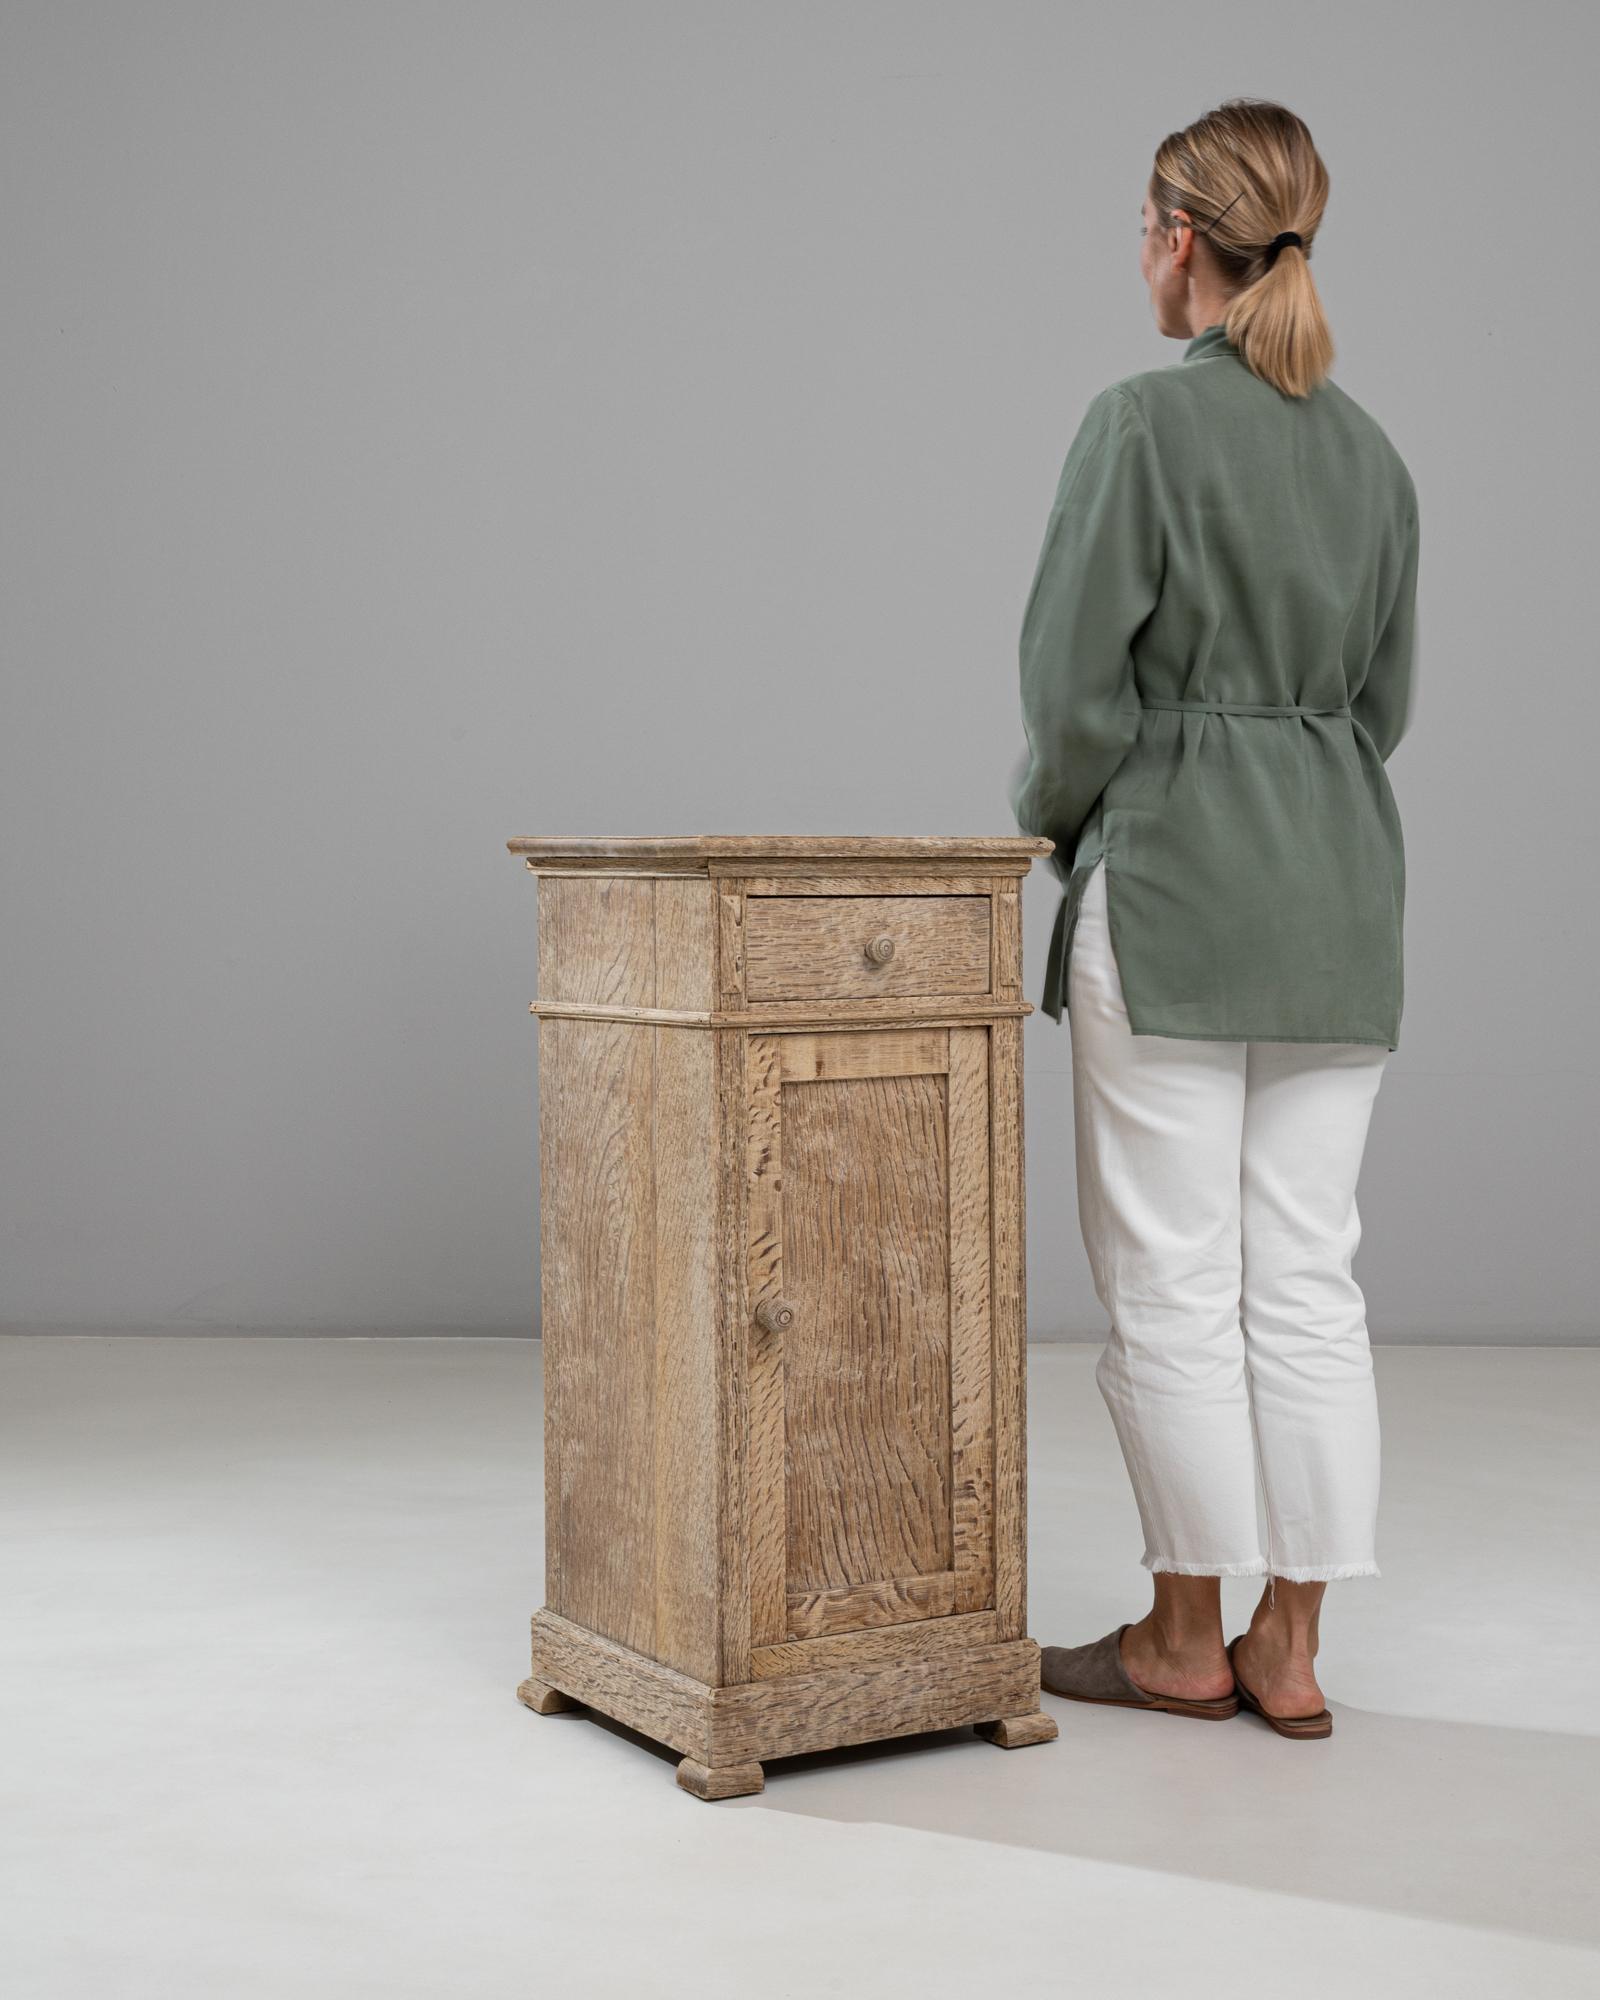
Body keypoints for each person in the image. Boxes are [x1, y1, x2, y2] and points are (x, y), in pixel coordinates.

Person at [1008, 99, 1420, 1740]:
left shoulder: (1137, 426)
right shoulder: (1377, 457)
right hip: (1341, 900)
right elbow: (1382, 708)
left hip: (1174, 890)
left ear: (1180, 240)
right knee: (1311, 1280)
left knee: (1178, 1280)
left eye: (1142, 226)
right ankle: (1294, 1647)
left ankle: (1185, 1639)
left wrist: (1068, 830)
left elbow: (1068, 696)